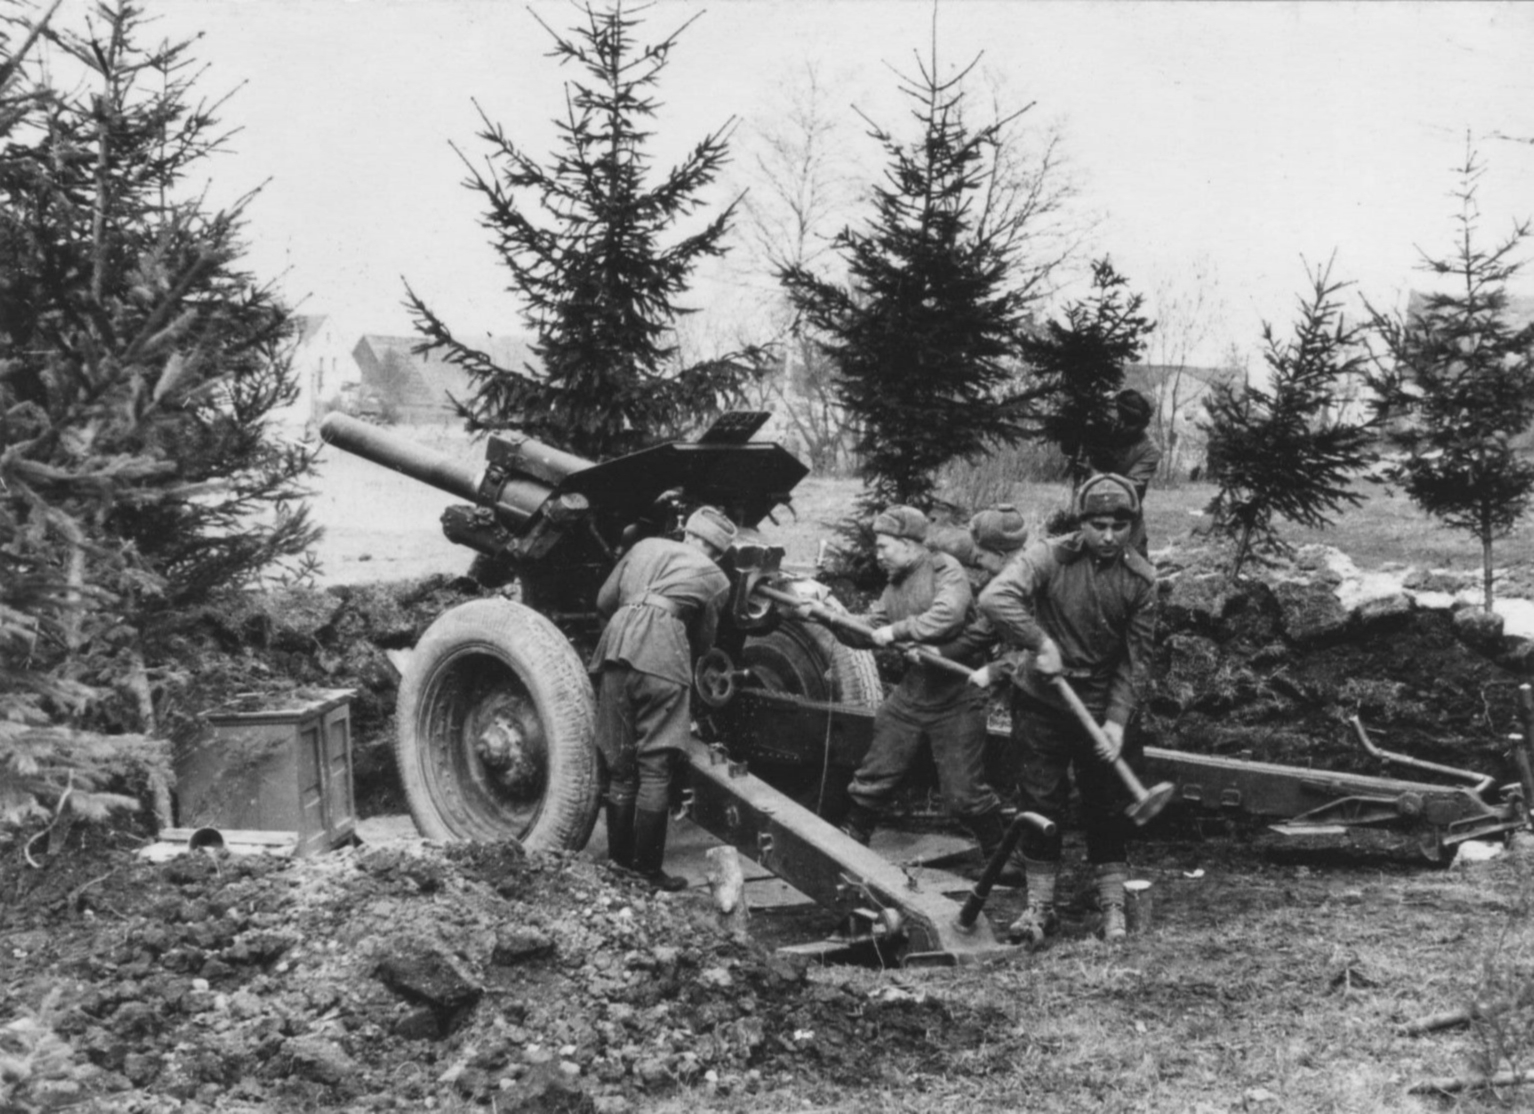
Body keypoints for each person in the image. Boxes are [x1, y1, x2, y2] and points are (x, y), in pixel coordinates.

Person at [972, 474, 1158, 944]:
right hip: (1042, 703)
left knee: (1107, 805)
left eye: (1120, 525)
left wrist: (1117, 720)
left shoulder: (1140, 580)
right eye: (1099, 524)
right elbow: (996, 598)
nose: (1110, 535)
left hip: (1099, 707)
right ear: (1082, 524)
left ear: (1132, 525)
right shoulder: (1048, 557)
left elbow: (1136, 662)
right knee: (1039, 801)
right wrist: (1039, 641)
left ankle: (1113, 905)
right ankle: (1040, 908)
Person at [817, 505, 1020, 883]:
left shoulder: (944, 569)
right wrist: (823, 615)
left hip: (957, 697)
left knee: (963, 793)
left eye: (884, 547)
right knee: (876, 770)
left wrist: (898, 632)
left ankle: (1002, 857)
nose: (878, 555)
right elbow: (867, 631)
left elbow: (949, 615)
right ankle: (853, 838)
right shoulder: (895, 585)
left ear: (910, 545)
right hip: (913, 695)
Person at [589, 506, 736, 891]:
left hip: (614, 651)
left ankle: (618, 866)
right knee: (655, 766)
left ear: (686, 533)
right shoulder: (717, 578)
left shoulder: (644, 546)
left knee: (621, 768)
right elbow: (703, 643)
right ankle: (647, 872)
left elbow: (604, 602)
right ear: (717, 551)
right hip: (663, 658)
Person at [1087, 388, 1161, 555]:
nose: (1120, 425)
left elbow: (1128, 490)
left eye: (1127, 422)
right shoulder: (1106, 432)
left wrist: (1093, 473)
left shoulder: (1149, 450)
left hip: (1127, 522)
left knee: (1136, 574)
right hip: (1091, 518)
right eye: (1119, 418)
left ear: (1141, 425)